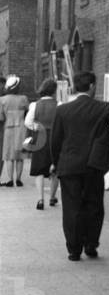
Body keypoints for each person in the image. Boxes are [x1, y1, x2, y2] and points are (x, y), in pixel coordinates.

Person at [50, 72, 109, 261]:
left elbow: (55, 140)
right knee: (93, 204)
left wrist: (56, 162)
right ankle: (91, 244)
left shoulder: (63, 110)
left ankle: (74, 249)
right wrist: (104, 142)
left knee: (71, 207)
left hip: (69, 164)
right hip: (94, 164)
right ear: (92, 86)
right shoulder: (103, 107)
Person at [25, 79, 59, 210]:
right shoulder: (59, 104)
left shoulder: (35, 105)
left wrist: (36, 127)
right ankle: (52, 197)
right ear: (54, 91)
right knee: (55, 167)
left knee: (39, 168)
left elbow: (27, 122)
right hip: (55, 137)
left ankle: (40, 199)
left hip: (40, 137)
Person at [0, 75, 30, 186]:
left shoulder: (2, 100)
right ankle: (18, 179)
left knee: (9, 156)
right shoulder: (24, 98)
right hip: (22, 128)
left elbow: (1, 117)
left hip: (8, 128)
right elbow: (28, 112)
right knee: (20, 156)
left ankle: (9, 180)